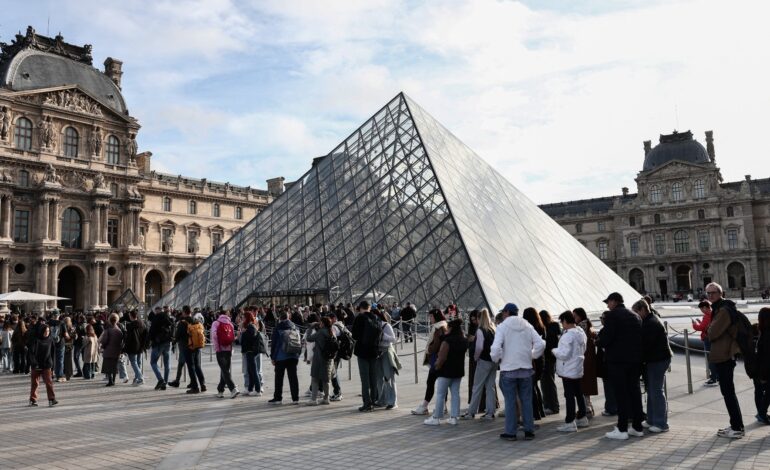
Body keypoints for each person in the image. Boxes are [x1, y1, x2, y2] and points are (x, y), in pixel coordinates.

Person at [491, 303, 546, 441]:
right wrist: (532, 355)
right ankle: (529, 431)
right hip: (526, 369)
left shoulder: (502, 327)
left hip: (508, 369)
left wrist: (497, 359)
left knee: (510, 402)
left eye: (503, 312)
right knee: (526, 401)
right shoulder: (527, 325)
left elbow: (496, 348)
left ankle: (511, 432)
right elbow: (541, 344)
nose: (503, 314)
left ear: (507, 312)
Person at [598, 292, 644, 440]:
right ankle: (637, 426)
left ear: (614, 301)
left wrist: (598, 341)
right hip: (635, 360)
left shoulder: (612, 315)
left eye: (608, 302)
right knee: (634, 392)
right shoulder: (634, 315)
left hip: (618, 361)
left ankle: (622, 428)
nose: (607, 305)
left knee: (621, 394)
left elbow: (605, 338)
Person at [706, 282, 745, 438]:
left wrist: (710, 327)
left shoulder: (723, 311)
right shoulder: (720, 309)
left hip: (725, 355)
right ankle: (735, 425)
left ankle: (737, 428)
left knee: (728, 392)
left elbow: (712, 333)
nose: (710, 296)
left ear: (720, 293)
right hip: (723, 354)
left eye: (713, 293)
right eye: (707, 293)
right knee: (727, 392)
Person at [633, 298, 672, 433]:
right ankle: (651, 419)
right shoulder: (650, 320)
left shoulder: (650, 323)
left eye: (636, 312)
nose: (636, 316)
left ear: (643, 310)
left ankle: (661, 423)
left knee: (656, 391)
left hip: (657, 360)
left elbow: (645, 346)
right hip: (656, 359)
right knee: (652, 390)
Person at [424, 318, 466, 425]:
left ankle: (436, 417)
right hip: (458, 372)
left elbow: (441, 358)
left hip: (446, 372)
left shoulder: (447, 341)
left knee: (440, 394)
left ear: (451, 328)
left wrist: (436, 366)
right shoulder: (462, 340)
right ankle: (454, 417)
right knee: (456, 393)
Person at [552, 311, 588, 432]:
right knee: (578, 393)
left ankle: (570, 422)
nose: (562, 325)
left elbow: (564, 354)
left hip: (567, 369)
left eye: (562, 322)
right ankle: (583, 417)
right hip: (577, 367)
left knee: (569, 396)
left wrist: (554, 351)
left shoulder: (567, 335)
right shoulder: (580, 332)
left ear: (565, 321)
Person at [412, 309, 448, 416]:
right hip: (442, 359)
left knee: (431, 382)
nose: (430, 319)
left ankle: (424, 406)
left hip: (437, 359)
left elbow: (437, 344)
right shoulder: (444, 325)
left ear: (436, 317)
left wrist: (429, 349)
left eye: (431, 316)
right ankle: (443, 407)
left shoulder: (438, 327)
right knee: (441, 383)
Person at [462, 308, 497, 420]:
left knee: (476, 387)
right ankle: (490, 412)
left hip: (484, 361)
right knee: (490, 387)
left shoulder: (480, 330)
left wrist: (476, 357)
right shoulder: (492, 329)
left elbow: (479, 347)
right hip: (493, 361)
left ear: (479, 318)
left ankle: (471, 412)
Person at [352, 300, 382, 412]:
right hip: (374, 351)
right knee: (373, 377)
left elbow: (354, 335)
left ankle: (367, 403)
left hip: (362, 352)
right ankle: (374, 401)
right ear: (369, 307)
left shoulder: (359, 318)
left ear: (360, 308)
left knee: (365, 379)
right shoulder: (376, 318)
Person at [268, 310, 301, 405]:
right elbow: (299, 342)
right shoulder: (295, 327)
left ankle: (278, 398)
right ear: (288, 317)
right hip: (293, 356)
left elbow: (274, 344)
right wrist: (297, 355)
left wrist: (273, 357)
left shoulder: (278, 328)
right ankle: (295, 398)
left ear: (280, 318)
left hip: (280, 357)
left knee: (279, 378)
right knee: (293, 378)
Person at [573, 307, 598, 418]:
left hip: (584, 361)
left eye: (575, 316)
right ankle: (588, 408)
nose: (574, 318)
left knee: (583, 386)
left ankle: (586, 410)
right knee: (586, 386)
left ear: (580, 316)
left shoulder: (580, 328)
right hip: (589, 360)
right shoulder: (589, 326)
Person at [523, 307, 547, 420]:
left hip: (532, 360)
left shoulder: (529, 329)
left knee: (531, 387)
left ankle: (535, 413)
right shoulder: (541, 327)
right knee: (535, 386)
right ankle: (540, 411)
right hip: (541, 359)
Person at [305, 316, 336, 405]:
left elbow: (309, 338)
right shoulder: (331, 332)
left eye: (320, 322)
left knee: (315, 378)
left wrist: (311, 327)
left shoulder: (321, 332)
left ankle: (313, 399)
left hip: (319, 359)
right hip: (329, 359)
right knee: (326, 379)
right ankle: (326, 398)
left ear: (323, 323)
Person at [211, 310, 239, 399]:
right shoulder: (230, 323)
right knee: (225, 370)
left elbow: (214, 336)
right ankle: (220, 390)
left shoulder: (216, 323)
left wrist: (217, 348)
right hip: (228, 349)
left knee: (225, 370)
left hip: (220, 349)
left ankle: (233, 388)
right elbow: (232, 337)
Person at [28, 324, 57, 407]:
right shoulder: (35, 340)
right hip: (36, 365)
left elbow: (52, 353)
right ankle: (33, 400)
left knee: (49, 382)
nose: (46, 333)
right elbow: (31, 353)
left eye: (48, 331)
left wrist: (53, 366)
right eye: (45, 331)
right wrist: (34, 363)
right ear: (41, 331)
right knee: (35, 383)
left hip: (47, 364)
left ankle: (51, 399)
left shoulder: (51, 340)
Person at [376, 310, 399, 409]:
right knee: (379, 378)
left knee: (388, 377)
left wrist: (382, 335)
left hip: (386, 351)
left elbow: (393, 339)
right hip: (377, 352)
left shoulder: (386, 325)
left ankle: (393, 402)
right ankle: (382, 400)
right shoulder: (373, 326)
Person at [693, 300, 719, 386]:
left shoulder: (707, 316)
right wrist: (700, 322)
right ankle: (717, 376)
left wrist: (694, 324)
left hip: (707, 338)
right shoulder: (713, 313)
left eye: (701, 309)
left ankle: (713, 378)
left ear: (704, 307)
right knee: (715, 357)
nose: (701, 311)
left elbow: (700, 328)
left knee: (710, 358)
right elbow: (706, 326)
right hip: (713, 338)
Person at [540, 310, 561, 415]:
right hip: (553, 357)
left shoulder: (544, 328)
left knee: (546, 382)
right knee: (549, 382)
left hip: (546, 357)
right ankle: (552, 405)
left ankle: (550, 406)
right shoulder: (555, 326)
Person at [148, 306, 174, 390]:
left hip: (158, 344)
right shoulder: (168, 318)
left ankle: (161, 379)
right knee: (167, 364)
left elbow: (151, 332)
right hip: (167, 343)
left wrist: (149, 342)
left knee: (153, 362)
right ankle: (164, 383)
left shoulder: (156, 319)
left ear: (156, 311)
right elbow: (172, 328)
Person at [168, 307, 191, 388]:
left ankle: (177, 381)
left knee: (181, 364)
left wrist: (174, 343)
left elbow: (178, 334)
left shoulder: (182, 322)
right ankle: (195, 382)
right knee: (191, 365)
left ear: (184, 312)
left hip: (183, 345)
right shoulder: (194, 320)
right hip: (192, 345)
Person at [754, 307, 770, 424]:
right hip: (765, 370)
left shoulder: (762, 330)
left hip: (761, 368)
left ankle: (761, 413)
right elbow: (766, 356)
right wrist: (764, 376)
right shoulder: (767, 333)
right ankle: (761, 413)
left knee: (762, 392)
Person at [240, 311, 261, 396]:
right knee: (250, 370)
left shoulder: (251, 326)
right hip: (249, 351)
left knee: (253, 370)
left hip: (251, 351)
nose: (242, 319)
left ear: (247, 318)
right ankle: (250, 388)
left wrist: (243, 332)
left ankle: (258, 389)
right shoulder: (250, 326)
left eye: (244, 317)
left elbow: (250, 338)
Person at [185, 312, 207, 394]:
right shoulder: (200, 326)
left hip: (190, 347)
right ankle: (203, 384)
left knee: (191, 367)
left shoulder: (188, 325)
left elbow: (183, 335)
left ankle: (195, 387)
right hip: (198, 347)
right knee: (197, 366)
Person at [100, 313, 124, 387]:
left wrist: (102, 346)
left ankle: (110, 381)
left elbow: (104, 340)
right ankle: (113, 380)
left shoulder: (108, 330)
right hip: (116, 350)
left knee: (108, 366)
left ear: (110, 321)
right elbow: (121, 341)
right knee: (114, 366)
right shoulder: (119, 330)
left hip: (108, 349)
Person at [124, 310, 147, 386]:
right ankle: (136, 379)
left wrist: (125, 348)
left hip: (133, 347)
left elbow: (129, 338)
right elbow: (145, 336)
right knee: (138, 363)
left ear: (131, 316)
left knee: (134, 363)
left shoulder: (130, 326)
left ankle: (140, 378)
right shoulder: (142, 324)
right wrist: (144, 346)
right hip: (140, 346)